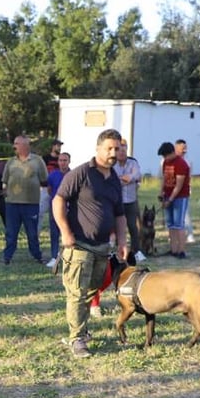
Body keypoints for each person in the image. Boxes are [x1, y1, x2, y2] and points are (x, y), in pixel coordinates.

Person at [52, 129, 128, 358]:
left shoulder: (114, 178)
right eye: (109, 148)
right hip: (79, 245)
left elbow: (120, 214)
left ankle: (81, 330)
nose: (114, 152)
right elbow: (58, 199)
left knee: (92, 291)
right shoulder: (81, 173)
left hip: (103, 247)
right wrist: (65, 232)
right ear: (98, 149)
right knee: (76, 293)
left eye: (117, 148)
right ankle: (77, 340)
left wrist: (123, 241)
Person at [1, 135, 47, 264]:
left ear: (25, 145)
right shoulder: (11, 162)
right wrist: (5, 192)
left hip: (31, 203)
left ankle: (37, 255)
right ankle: (7, 257)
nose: (14, 146)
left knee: (32, 233)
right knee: (11, 232)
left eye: (17, 143)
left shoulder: (38, 161)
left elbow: (44, 180)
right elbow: (4, 180)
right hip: (12, 204)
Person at [114, 140, 147, 264]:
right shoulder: (113, 165)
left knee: (133, 227)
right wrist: (126, 179)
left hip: (131, 201)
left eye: (124, 150)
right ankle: (120, 251)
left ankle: (136, 251)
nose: (122, 153)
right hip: (118, 202)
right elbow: (114, 181)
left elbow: (137, 175)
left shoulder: (133, 162)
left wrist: (129, 178)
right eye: (119, 150)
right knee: (118, 228)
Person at [157, 141, 191, 259]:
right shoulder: (166, 162)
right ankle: (173, 249)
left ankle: (181, 251)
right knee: (170, 224)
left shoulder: (181, 164)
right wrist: (161, 192)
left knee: (179, 224)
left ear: (172, 152)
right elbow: (164, 179)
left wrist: (170, 200)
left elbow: (179, 185)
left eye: (165, 155)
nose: (164, 158)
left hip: (180, 197)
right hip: (168, 196)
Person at [44, 151, 71, 268]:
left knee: (70, 232)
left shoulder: (73, 174)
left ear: (69, 161)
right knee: (54, 233)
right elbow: (50, 189)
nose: (62, 163)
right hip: (55, 208)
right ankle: (55, 257)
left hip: (70, 208)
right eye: (60, 160)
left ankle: (69, 257)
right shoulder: (53, 175)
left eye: (65, 160)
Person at [174, 139, 195, 242]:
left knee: (186, 213)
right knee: (173, 213)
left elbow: (189, 177)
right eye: (182, 148)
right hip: (171, 191)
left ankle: (189, 234)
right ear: (176, 148)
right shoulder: (168, 160)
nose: (185, 150)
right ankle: (173, 235)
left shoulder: (188, 161)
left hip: (184, 192)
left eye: (185, 148)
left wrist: (189, 188)